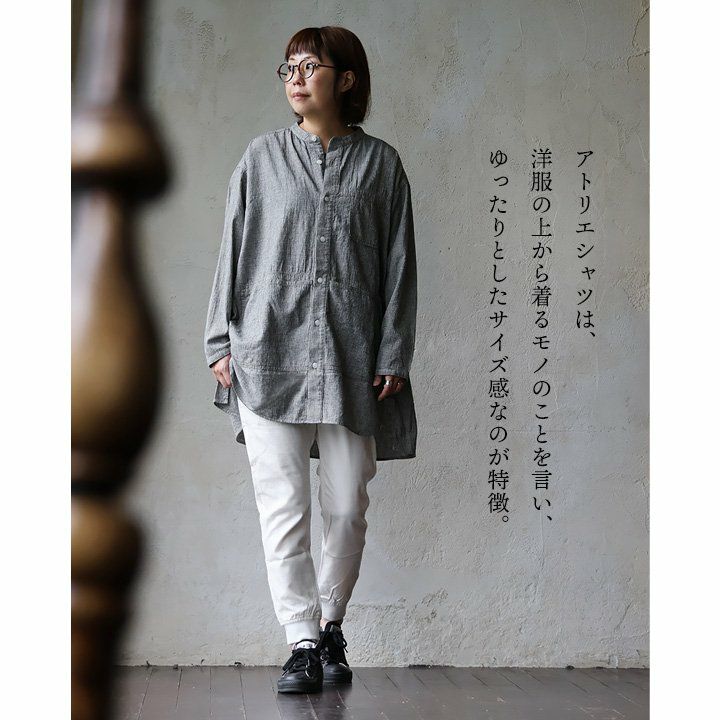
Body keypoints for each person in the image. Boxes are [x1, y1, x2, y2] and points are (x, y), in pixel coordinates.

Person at [204, 26, 418, 694]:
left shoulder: (382, 166)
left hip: (353, 358)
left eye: (310, 66)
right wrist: (219, 341)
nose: (295, 78)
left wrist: (394, 349)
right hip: (268, 354)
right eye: (288, 67)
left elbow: (400, 265)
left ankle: (330, 624)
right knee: (283, 506)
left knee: (348, 503)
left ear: (345, 79)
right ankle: (301, 640)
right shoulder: (261, 158)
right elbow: (232, 247)